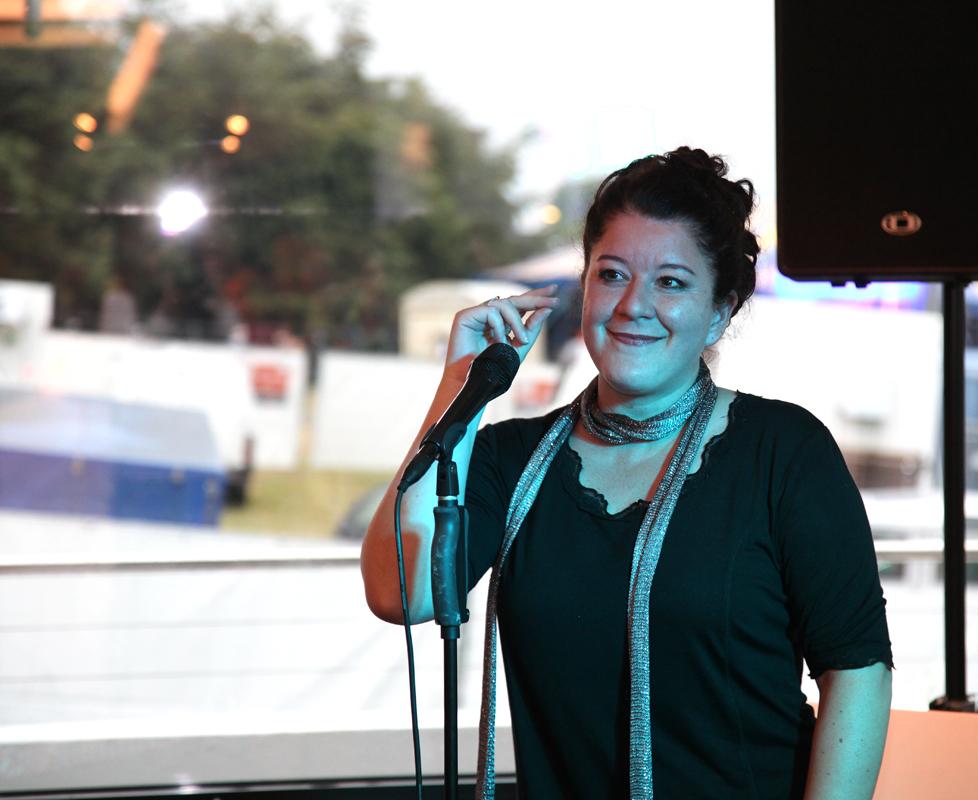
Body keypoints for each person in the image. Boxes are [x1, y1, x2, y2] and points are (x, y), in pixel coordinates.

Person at [361, 147, 893, 799]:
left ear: (720, 311)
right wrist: (460, 389)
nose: (633, 304)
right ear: (584, 287)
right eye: (612, 275)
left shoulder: (783, 450)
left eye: (671, 282)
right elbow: (401, 593)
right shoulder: (512, 458)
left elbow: (857, 670)